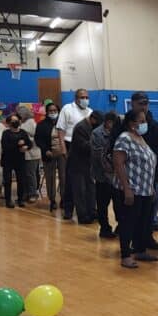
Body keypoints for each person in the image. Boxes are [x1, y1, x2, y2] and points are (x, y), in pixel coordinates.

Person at [111, 109, 158, 268]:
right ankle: (125, 255)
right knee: (128, 222)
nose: (145, 124)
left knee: (142, 222)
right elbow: (118, 163)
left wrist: (151, 188)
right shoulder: (124, 139)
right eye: (142, 120)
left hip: (145, 190)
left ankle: (140, 250)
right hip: (131, 189)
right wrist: (127, 188)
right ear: (132, 124)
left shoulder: (141, 139)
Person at [130, 93, 158, 236]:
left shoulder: (155, 126)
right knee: (133, 205)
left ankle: (150, 225)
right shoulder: (125, 126)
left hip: (151, 174)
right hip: (132, 174)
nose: (143, 106)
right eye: (140, 103)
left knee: (155, 199)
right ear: (133, 104)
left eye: (146, 103)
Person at [57, 89, 93, 219]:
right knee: (70, 180)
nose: (85, 99)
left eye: (86, 97)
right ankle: (68, 208)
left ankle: (87, 209)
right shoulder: (67, 109)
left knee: (86, 181)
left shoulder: (90, 112)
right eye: (82, 97)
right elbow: (60, 130)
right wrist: (63, 149)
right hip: (69, 145)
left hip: (85, 148)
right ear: (76, 98)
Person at [68, 111, 101, 223]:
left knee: (91, 188)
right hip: (77, 163)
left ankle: (92, 211)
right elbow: (83, 146)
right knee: (80, 190)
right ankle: (82, 215)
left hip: (88, 163)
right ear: (92, 118)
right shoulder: (80, 128)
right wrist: (98, 144)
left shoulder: (89, 126)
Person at [91, 111, 119, 238]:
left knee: (119, 204)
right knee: (102, 204)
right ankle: (104, 228)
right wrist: (107, 166)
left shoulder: (119, 131)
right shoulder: (97, 133)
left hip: (117, 176)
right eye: (112, 123)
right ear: (107, 122)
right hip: (102, 176)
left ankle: (121, 226)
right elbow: (97, 154)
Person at [36, 102, 65, 212]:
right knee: (50, 177)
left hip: (62, 153)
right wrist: (45, 150)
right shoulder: (41, 125)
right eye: (50, 111)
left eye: (55, 111)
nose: (53, 113)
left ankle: (64, 198)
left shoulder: (63, 123)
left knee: (64, 176)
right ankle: (52, 200)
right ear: (47, 112)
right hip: (49, 153)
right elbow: (38, 140)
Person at [1, 113, 31, 208]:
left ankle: (21, 199)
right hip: (8, 160)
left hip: (20, 160)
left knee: (21, 180)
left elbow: (29, 144)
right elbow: (5, 147)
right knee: (8, 181)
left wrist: (26, 147)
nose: (15, 122)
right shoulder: (6, 133)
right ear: (9, 123)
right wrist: (18, 145)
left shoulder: (23, 132)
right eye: (13, 121)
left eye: (16, 120)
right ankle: (8, 200)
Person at [17, 105, 42, 203]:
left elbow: (36, 137)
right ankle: (26, 193)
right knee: (27, 174)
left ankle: (33, 194)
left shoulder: (30, 123)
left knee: (30, 174)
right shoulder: (23, 123)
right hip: (26, 153)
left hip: (32, 153)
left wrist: (25, 141)